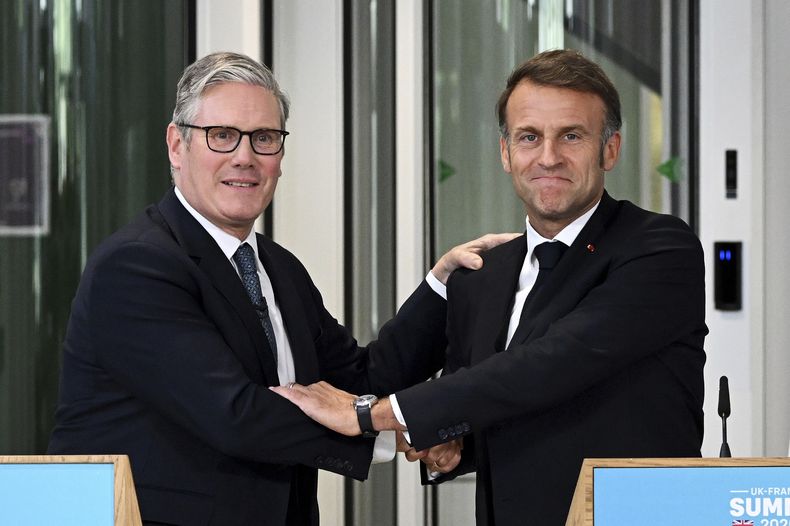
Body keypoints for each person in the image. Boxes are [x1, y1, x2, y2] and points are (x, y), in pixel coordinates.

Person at [47, 51, 514, 526]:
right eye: (222, 136)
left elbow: (362, 379)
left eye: (264, 138)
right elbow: (236, 416)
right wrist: (392, 430)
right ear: (176, 145)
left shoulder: (277, 267)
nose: (244, 157)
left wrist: (444, 287)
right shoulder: (137, 265)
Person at [273, 49, 708, 526]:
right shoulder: (482, 276)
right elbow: (497, 407)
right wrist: (456, 446)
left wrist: (369, 415)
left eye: (571, 135)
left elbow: (548, 365)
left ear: (610, 148)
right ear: (505, 153)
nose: (548, 156)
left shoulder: (660, 248)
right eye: (528, 137)